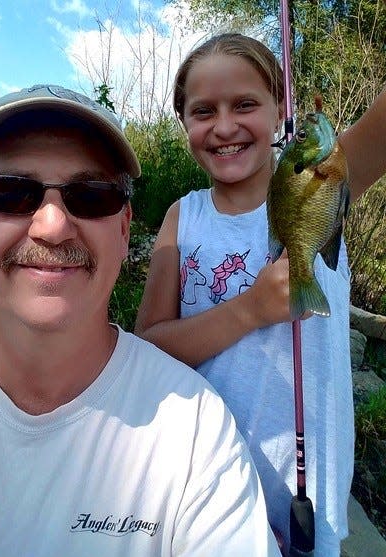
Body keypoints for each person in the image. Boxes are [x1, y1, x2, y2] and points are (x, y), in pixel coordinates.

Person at [0, 84, 282, 556]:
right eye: (11, 192)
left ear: (124, 230)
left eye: (90, 195)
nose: (52, 225)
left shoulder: (196, 434)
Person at [135, 33, 386, 556]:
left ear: (280, 112)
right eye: (203, 111)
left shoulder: (328, 176)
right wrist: (249, 310)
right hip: (204, 479)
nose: (224, 126)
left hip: (307, 488)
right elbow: (148, 345)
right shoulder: (183, 217)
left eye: (245, 104)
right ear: (184, 123)